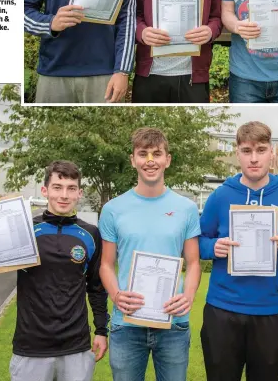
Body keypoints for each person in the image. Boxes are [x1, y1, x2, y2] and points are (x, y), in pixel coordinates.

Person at [0, 161, 108, 381]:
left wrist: (101, 330)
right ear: (45, 190)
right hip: (31, 346)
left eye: (71, 188)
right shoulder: (25, 229)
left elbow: (96, 287)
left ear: (79, 193)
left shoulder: (90, 234)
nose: (64, 195)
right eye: (57, 187)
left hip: (76, 346)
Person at [199, 121, 278, 380]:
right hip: (222, 308)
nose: (254, 158)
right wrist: (213, 247)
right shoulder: (220, 196)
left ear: (272, 152)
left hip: (269, 310)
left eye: (260, 150)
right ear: (237, 154)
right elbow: (198, 242)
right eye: (247, 151)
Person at [99, 128, 201, 381]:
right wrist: (116, 295)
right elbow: (106, 264)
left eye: (157, 153)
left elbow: (194, 262)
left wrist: (187, 297)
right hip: (127, 323)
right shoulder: (113, 209)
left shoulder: (186, 208)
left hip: (173, 322)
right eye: (143, 154)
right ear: (133, 160)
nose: (150, 160)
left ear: (168, 159)